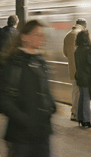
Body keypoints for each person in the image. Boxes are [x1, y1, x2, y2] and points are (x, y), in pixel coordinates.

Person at [0, 20, 56, 157]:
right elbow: (4, 100)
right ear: (24, 37)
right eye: (37, 35)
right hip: (20, 136)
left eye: (42, 35)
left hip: (42, 134)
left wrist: (51, 106)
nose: (41, 39)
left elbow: (45, 91)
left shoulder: (41, 62)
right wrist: (24, 119)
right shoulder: (13, 64)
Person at [63, 18, 87, 121]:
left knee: (75, 91)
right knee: (82, 93)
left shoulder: (68, 35)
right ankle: (80, 114)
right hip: (82, 69)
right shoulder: (82, 35)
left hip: (72, 69)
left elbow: (65, 53)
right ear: (84, 26)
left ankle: (74, 113)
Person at [75, 30, 91, 128]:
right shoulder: (88, 49)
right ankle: (87, 120)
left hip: (80, 76)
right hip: (87, 77)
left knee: (82, 97)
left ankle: (80, 118)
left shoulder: (77, 50)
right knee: (87, 98)